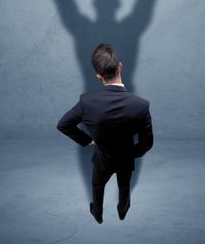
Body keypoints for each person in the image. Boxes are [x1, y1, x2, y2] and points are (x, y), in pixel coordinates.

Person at [56, 43, 154, 224]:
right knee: (124, 186)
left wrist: (88, 141)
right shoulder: (141, 105)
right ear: (120, 67)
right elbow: (147, 143)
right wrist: (132, 153)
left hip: (102, 159)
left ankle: (98, 214)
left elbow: (63, 125)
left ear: (98, 76)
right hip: (126, 159)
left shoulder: (87, 102)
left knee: (97, 185)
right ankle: (122, 210)